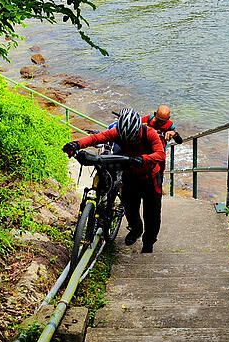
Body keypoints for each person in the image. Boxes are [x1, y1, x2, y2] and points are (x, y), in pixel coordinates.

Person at [63, 108, 165, 253]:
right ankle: (136, 229)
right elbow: (96, 138)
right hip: (130, 176)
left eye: (133, 138)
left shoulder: (150, 133)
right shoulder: (116, 132)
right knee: (130, 209)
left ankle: (148, 242)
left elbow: (160, 154)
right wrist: (76, 144)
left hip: (150, 178)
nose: (130, 141)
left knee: (152, 214)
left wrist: (143, 159)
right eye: (126, 139)